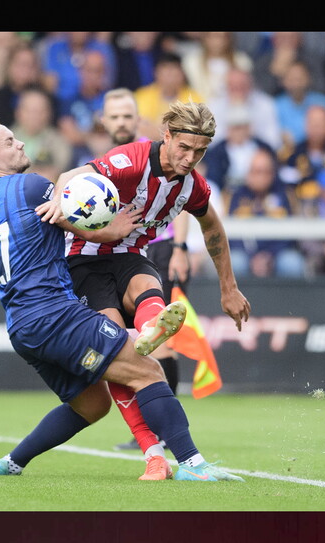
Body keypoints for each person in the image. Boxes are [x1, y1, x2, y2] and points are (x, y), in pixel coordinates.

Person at [0, 116, 245, 482]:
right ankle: (193, 464)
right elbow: (80, 219)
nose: (21, 143)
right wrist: (114, 228)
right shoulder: (31, 187)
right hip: (55, 313)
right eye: (9, 141)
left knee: (93, 404)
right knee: (148, 370)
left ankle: (13, 462)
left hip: (22, 325)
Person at [35, 100, 251, 481]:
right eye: (184, 147)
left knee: (148, 287)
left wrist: (229, 288)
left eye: (200, 152)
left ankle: (151, 329)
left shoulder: (192, 186)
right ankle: (153, 452)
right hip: (83, 261)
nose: (190, 158)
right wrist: (66, 206)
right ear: (166, 136)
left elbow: (213, 228)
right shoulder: (132, 161)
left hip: (131, 255)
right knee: (116, 355)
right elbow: (69, 175)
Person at [96, 89, 192, 454]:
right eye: (115, 116)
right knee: (134, 339)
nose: (121, 122)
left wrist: (180, 248)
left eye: (127, 116)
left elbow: (184, 199)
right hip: (118, 253)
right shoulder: (105, 160)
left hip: (158, 250)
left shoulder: (154, 153)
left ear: (138, 119)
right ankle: (157, 426)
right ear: (103, 121)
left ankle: (164, 427)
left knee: (158, 338)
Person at [226, 148, 305, 278]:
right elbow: (231, 235)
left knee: (292, 263)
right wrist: (253, 257)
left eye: (263, 172)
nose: (258, 177)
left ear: (272, 174)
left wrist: (269, 256)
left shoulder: (284, 195)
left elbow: (290, 234)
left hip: (276, 254)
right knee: (235, 262)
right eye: (254, 171)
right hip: (245, 254)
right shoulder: (236, 196)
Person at [277, 105, 325, 216]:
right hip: (303, 204)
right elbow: (286, 183)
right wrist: (318, 190)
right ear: (306, 125)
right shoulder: (293, 153)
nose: (316, 128)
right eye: (313, 124)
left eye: (320, 124)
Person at [133, 53, 204, 141]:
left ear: (182, 74)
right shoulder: (141, 96)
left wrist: (157, 130)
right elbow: (139, 129)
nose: (170, 77)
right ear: (155, 73)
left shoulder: (194, 98)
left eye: (174, 71)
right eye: (166, 71)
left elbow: (194, 132)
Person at [206, 67, 282, 151]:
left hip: (258, 153)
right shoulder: (214, 107)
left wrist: (249, 134)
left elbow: (274, 140)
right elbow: (210, 141)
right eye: (233, 87)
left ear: (250, 85)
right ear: (226, 87)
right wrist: (233, 135)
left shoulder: (266, 105)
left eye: (242, 86)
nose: (238, 90)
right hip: (223, 154)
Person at [273, 60, 325, 158]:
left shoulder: (323, 103)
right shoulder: (275, 106)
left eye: (300, 78)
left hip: (320, 153)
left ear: (309, 78)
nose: (296, 83)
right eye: (292, 78)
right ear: (283, 81)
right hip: (288, 156)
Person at [0, 44, 47, 128]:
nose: (25, 70)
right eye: (20, 64)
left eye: (30, 65)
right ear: (9, 66)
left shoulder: (45, 98)